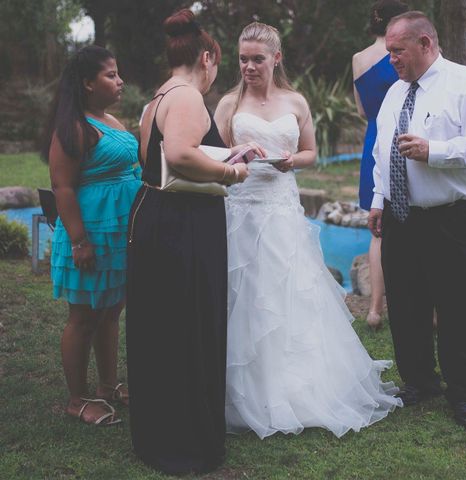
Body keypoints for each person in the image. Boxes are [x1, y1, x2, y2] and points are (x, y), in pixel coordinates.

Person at [214, 21, 402, 439]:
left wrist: (288, 161)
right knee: (244, 294)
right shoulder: (229, 104)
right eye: (243, 59)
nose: (248, 67)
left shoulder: (296, 101)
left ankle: (295, 387)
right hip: (242, 210)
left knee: (286, 293)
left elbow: (311, 153)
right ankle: (242, 388)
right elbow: (217, 155)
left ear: (276, 59)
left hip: (281, 208)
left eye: (257, 59)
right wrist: (239, 156)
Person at [126, 10, 257, 475]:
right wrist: (232, 172)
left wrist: (228, 153)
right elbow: (179, 155)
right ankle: (182, 439)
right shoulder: (186, 96)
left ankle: (157, 428)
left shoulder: (159, 94)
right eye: (217, 63)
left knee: (162, 324)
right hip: (182, 224)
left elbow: (162, 157)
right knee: (185, 323)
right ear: (206, 57)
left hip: (158, 215)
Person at [368, 11, 466, 427]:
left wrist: (435, 151)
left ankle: (465, 392)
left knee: (458, 305)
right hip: (401, 216)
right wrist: (378, 199)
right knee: (407, 303)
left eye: (398, 50)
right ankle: (419, 381)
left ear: (426, 43)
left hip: (453, 216)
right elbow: (383, 151)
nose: (391, 58)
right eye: (390, 51)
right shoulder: (395, 93)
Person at [43, 45, 141, 426]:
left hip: (117, 232)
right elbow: (62, 187)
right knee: (83, 317)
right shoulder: (75, 128)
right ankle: (76, 399)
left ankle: (108, 385)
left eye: (117, 74)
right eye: (111, 75)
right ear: (87, 83)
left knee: (111, 311)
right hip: (91, 234)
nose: (120, 81)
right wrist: (80, 241)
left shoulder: (109, 120)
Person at [352, 0, 409, 330]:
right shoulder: (401, 52)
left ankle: (374, 309)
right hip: (405, 132)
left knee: (378, 230)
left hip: (374, 135)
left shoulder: (359, 58)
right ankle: (426, 307)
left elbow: (362, 110)